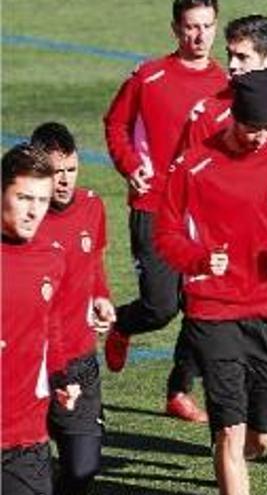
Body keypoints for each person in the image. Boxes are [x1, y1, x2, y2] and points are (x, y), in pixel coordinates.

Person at [154, 65, 267, 495]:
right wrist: (201, 260)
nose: (260, 137)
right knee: (229, 430)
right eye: (251, 128)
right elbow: (166, 235)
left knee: (259, 438)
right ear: (233, 118)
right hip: (213, 313)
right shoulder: (192, 165)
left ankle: (231, 459)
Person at [103, 0, 227, 423]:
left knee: (202, 304)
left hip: (205, 211)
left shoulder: (227, 83)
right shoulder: (148, 76)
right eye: (191, 27)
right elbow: (115, 123)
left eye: (207, 26)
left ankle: (178, 389)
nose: (199, 36)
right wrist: (129, 166)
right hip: (154, 204)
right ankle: (122, 323)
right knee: (160, 307)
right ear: (176, 28)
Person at [31, 122, 114, 495]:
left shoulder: (92, 206)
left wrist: (100, 297)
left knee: (82, 467)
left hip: (80, 359)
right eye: (54, 172)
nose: (63, 181)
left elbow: (94, 263)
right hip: (29, 361)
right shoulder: (22, 218)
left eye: (70, 170)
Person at [2, 144, 80, 495]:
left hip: (26, 437)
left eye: (43, 201)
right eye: (24, 198)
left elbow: (51, 326)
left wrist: (60, 374)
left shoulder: (51, 258)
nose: (35, 212)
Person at [178, 14, 267, 152]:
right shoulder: (207, 113)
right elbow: (189, 169)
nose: (232, 65)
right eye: (230, 55)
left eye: (242, 57)